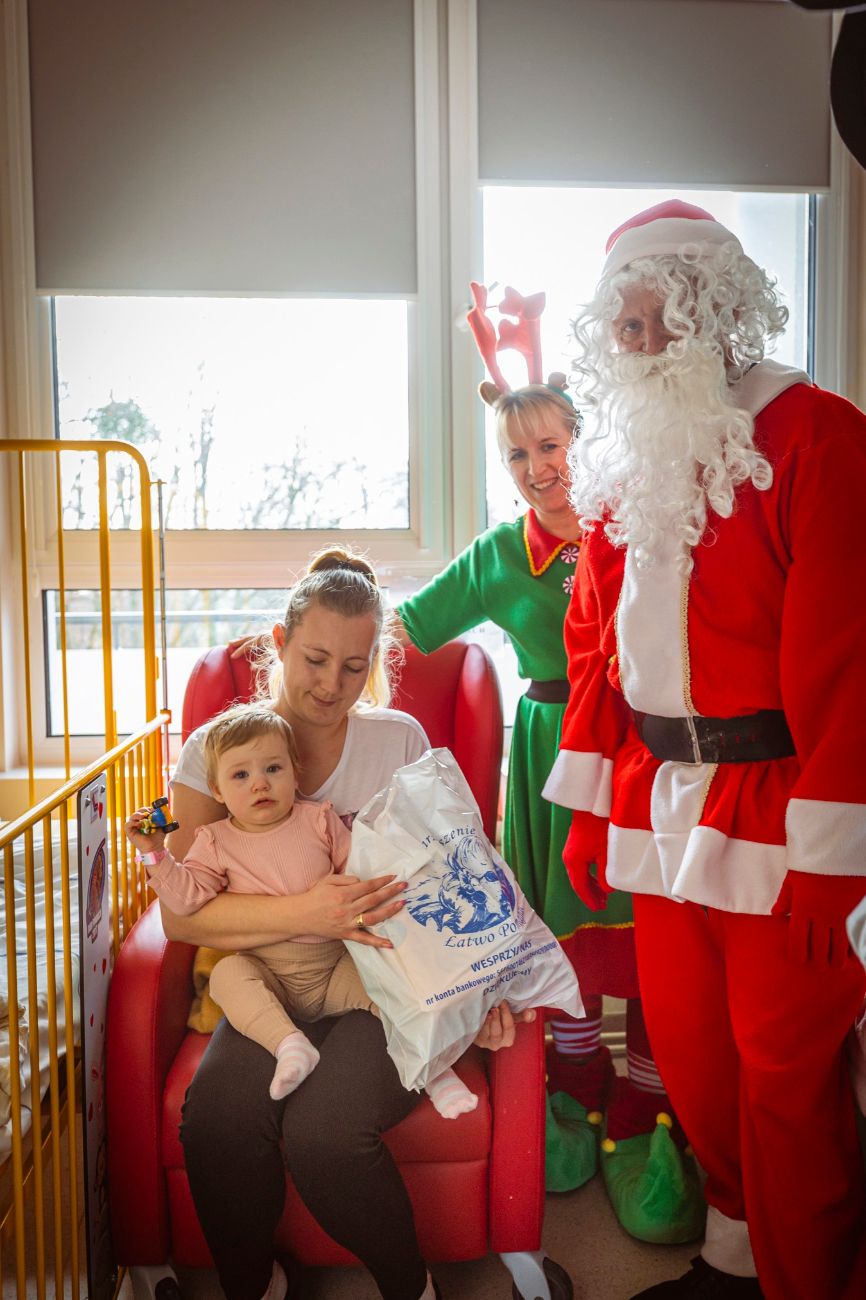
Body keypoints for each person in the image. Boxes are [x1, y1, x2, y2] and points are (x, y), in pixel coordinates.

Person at [544, 200, 866, 1300]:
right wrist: (591, 805)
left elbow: (849, 656)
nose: (635, 347)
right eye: (619, 330)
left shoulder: (817, 434)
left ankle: (808, 1277)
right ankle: (733, 1260)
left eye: (654, 322)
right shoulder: (625, 461)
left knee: (786, 1077)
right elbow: (592, 649)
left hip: (782, 808)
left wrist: (837, 853)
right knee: (690, 1057)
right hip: (656, 797)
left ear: (713, 311)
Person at [394, 287, 704, 1245]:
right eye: (517, 455)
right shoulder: (499, 554)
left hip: (643, 748)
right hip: (545, 753)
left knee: (655, 931)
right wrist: (302, 653)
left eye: (552, 447)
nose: (537, 470)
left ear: (586, 440)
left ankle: (649, 1105)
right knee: (563, 928)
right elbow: (403, 632)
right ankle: (573, 1082)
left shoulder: (641, 528)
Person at [164, 546, 532, 1300]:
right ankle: (256, 1285)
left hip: (382, 982)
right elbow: (181, 918)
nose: (333, 685)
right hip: (268, 983)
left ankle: (410, 1288)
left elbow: (459, 870)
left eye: (355, 666)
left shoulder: (397, 740)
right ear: (278, 643)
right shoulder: (218, 751)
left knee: (326, 1135)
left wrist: (489, 982)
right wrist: (305, 911)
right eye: (316, 659)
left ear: (377, 665)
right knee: (218, 1122)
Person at [126, 702, 476, 1116]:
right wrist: (155, 856)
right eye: (241, 775)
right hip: (269, 973)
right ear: (217, 791)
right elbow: (186, 900)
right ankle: (289, 1045)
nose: (260, 784)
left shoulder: (320, 820)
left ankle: (437, 1072)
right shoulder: (213, 841)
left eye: (273, 770)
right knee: (226, 975)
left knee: (394, 987)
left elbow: (362, 870)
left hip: (338, 965)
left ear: (296, 773)